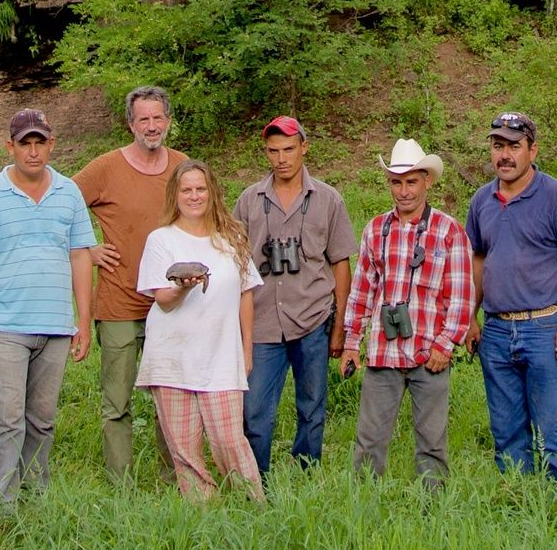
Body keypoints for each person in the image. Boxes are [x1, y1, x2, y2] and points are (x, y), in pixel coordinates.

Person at [0, 108, 97, 500]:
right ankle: (2, 503)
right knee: (8, 418)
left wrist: (83, 321)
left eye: (40, 143)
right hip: (5, 325)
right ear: (10, 146)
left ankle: (36, 494)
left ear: (51, 145)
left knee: (43, 419)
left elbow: (80, 256)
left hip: (55, 325)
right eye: (24, 144)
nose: (33, 152)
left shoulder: (69, 193)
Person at [74, 85, 193, 484]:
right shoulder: (106, 168)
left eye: (158, 117)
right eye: (144, 118)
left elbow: (204, 218)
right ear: (130, 124)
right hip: (119, 302)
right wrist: (87, 249)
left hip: (172, 303)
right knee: (117, 401)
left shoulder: (182, 168)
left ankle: (172, 477)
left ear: (169, 121)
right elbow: (60, 205)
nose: (152, 125)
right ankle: (119, 482)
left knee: (171, 399)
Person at [339, 138, 473, 488]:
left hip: (429, 352)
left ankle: (433, 509)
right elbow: (362, 289)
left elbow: (460, 294)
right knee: (369, 441)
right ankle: (363, 504)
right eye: (396, 182)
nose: (404, 191)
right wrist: (352, 341)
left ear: (427, 181)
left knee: (432, 443)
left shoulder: (448, 230)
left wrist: (446, 344)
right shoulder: (375, 229)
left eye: (411, 181)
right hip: (383, 352)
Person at [465, 110, 557, 493]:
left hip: (544, 327)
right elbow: (479, 258)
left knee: (551, 425)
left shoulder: (555, 196)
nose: (504, 155)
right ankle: (517, 499)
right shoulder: (481, 201)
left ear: (532, 150)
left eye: (514, 147)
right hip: (497, 330)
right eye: (497, 146)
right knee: (506, 428)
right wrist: (470, 316)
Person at [135, 160, 267, 501]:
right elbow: (163, 300)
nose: (194, 196)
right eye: (186, 190)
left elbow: (246, 295)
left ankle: (255, 508)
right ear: (175, 196)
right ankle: (202, 514)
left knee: (229, 441)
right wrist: (183, 286)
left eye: (200, 189)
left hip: (221, 356)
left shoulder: (231, 239)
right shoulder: (161, 239)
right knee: (185, 450)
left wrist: (247, 349)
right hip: (172, 358)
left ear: (212, 193)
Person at [232, 115, 355, 477]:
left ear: (304, 147)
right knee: (254, 409)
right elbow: (235, 260)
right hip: (263, 321)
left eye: (288, 149)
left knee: (312, 406)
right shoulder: (250, 200)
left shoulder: (328, 199)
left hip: (312, 318)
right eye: (273, 151)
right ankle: (256, 482)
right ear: (265, 153)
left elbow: (341, 263)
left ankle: (306, 474)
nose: (281, 158)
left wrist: (340, 325)